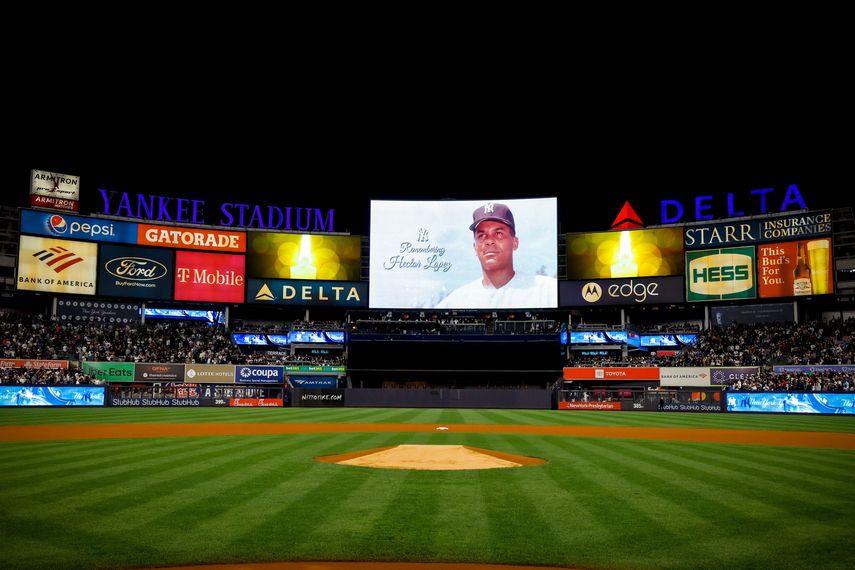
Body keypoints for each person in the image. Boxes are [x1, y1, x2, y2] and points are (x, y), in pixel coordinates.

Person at [435, 202, 557, 308]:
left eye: (498, 233)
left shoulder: (548, 291)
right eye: (481, 235)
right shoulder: (456, 301)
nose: (489, 241)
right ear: (475, 248)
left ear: (515, 243)